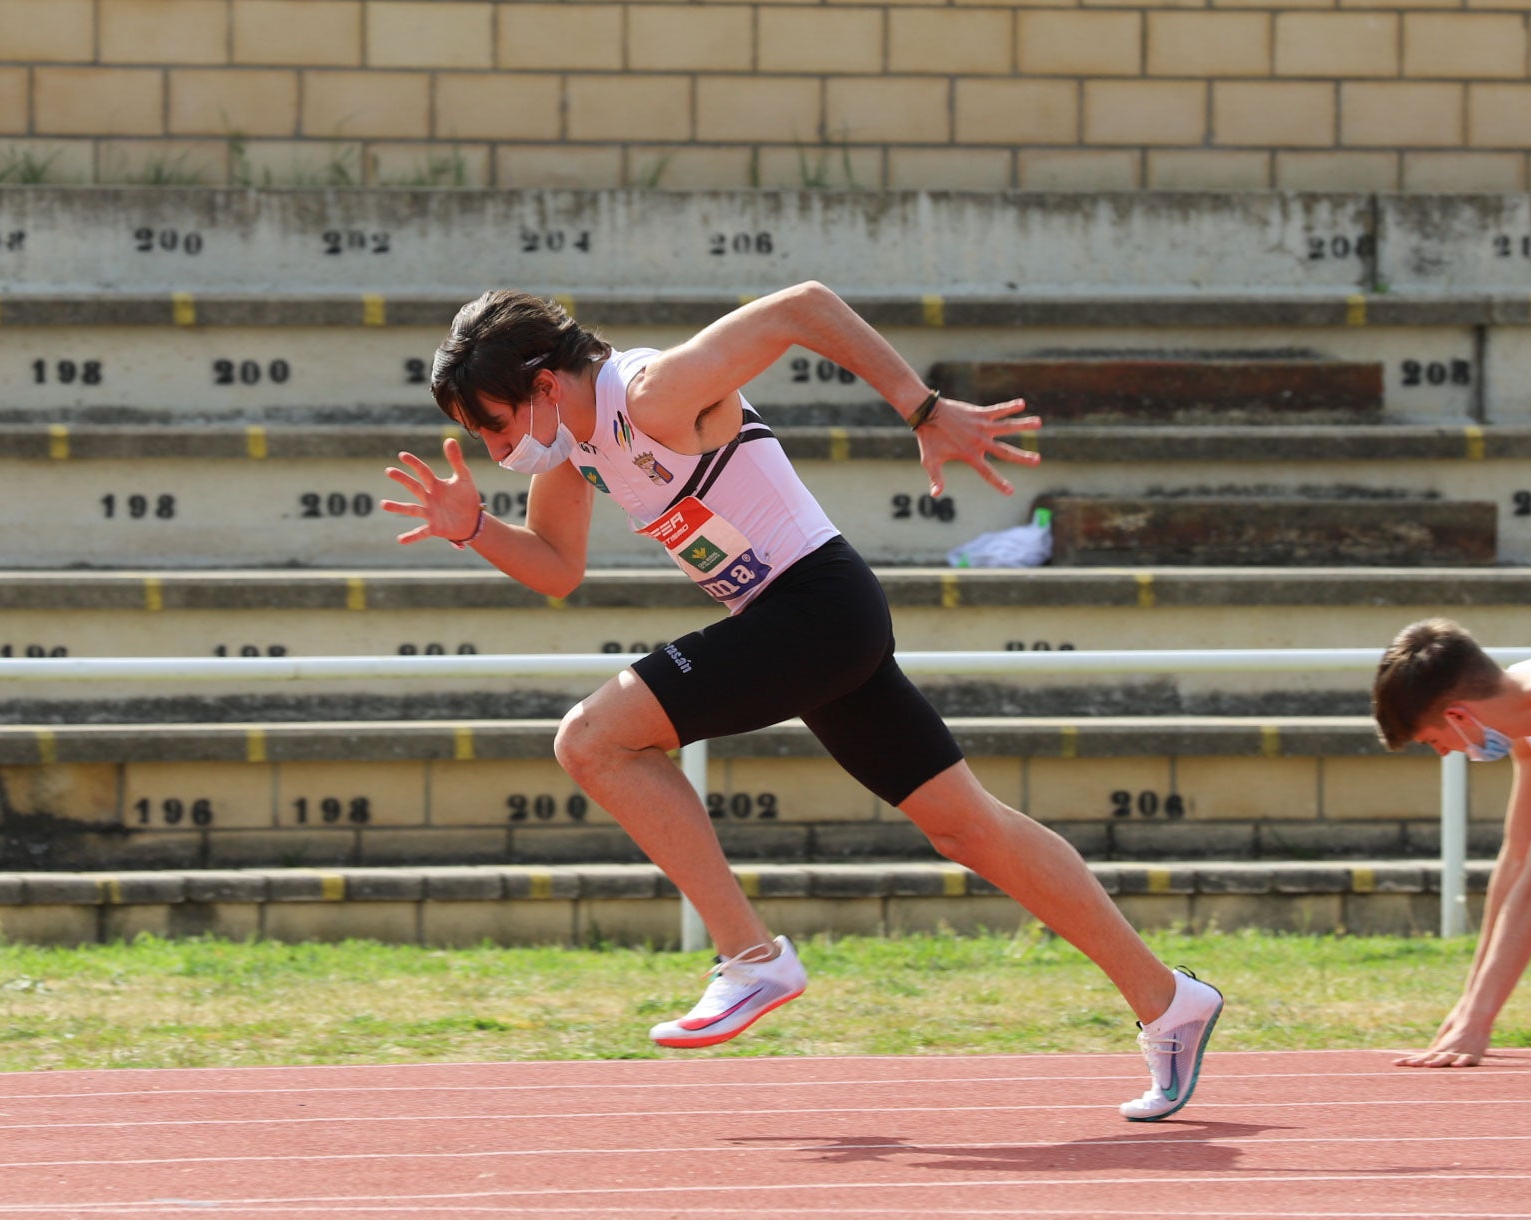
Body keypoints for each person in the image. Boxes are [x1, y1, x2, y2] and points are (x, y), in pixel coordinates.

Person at [381, 282, 1223, 1121]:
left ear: (542, 385)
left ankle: (750, 955)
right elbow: (558, 569)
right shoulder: (578, 442)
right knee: (965, 826)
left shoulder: (650, 393)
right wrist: (471, 530)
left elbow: (800, 307)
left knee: (593, 740)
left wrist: (921, 406)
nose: (493, 450)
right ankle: (1167, 999)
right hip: (805, 624)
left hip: (816, 609)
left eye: (490, 425)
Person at [1372, 617, 1531, 1067]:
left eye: (1434, 741)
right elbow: (1519, 859)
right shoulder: (1528, 722)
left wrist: (1479, 1023)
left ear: (1458, 716)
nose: (1445, 753)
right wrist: (1469, 1005)